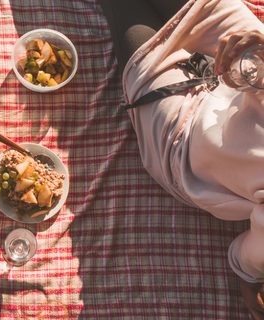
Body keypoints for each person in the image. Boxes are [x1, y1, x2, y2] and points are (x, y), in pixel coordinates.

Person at [99, 0, 264, 318]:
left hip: (184, 138)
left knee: (126, 14)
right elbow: (247, 265)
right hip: (247, 65)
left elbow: (247, 264)